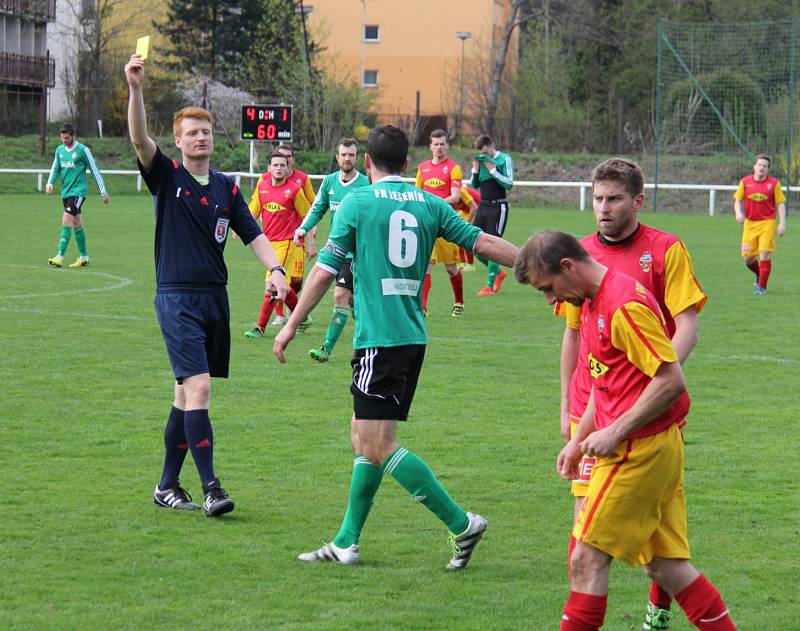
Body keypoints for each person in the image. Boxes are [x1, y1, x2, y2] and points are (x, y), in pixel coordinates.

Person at [273, 125, 519, 568]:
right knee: (361, 436)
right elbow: (482, 242)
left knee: (379, 444)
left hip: (380, 341)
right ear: (408, 165)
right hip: (411, 336)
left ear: (366, 163)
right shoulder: (429, 202)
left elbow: (325, 270)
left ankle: (463, 525)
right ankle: (347, 542)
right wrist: (536, 263)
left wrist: (292, 322)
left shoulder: (356, 202)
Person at [515, 230, 737, 631]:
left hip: (640, 450)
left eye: (549, 289)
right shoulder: (591, 301)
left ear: (568, 266)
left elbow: (671, 381)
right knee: (666, 567)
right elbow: (607, 382)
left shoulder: (622, 304)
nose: (551, 300)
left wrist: (614, 432)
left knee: (586, 559)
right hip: (652, 445)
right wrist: (580, 441)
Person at [124, 54, 287, 516]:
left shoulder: (226, 187)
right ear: (178, 141)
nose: (201, 137)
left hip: (215, 299)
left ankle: (166, 486)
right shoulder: (167, 176)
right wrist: (136, 90)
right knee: (199, 390)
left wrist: (275, 270)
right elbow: (138, 137)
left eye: (206, 131)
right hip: (176, 299)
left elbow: (252, 232)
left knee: (183, 395)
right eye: (192, 132)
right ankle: (212, 487)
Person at [555, 158, 707, 631]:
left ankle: (657, 612)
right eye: (598, 198)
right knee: (586, 536)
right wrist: (566, 405)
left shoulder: (664, 250)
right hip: (595, 404)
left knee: (630, 544)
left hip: (645, 406)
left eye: (614, 198)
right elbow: (574, 336)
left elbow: (687, 326)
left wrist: (651, 382)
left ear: (637, 201)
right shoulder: (577, 255)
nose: (604, 208)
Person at [293, 138, 369, 362]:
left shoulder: (365, 185)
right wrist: (303, 228)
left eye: (351, 155)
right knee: (354, 301)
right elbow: (317, 209)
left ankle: (326, 348)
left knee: (339, 295)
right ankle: (368, 329)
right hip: (334, 249)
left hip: (354, 252)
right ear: (337, 157)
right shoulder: (329, 182)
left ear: (357, 158)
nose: (347, 159)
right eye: (343, 154)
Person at [243, 152, 312, 339]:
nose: (279, 168)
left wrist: (307, 238)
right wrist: (239, 227)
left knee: (272, 284)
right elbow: (253, 211)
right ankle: (302, 315)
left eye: (283, 165)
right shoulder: (262, 188)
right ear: (269, 168)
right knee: (284, 287)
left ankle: (260, 328)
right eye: (276, 165)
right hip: (267, 243)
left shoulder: (294, 190)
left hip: (287, 243)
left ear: (288, 168)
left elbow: (307, 214)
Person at [415, 129, 467, 316]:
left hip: (446, 223)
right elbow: (417, 193)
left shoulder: (454, 168)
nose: (439, 147)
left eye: (442, 144)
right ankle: (422, 308)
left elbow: (455, 196)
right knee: (427, 264)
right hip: (427, 224)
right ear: (430, 146)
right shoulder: (422, 168)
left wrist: (435, 203)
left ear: (447, 146)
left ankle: (459, 303)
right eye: (436, 144)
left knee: (451, 268)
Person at [46, 123, 110, 268]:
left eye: (67, 138)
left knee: (66, 219)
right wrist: (50, 183)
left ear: (73, 136)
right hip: (66, 193)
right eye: (62, 138)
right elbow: (56, 168)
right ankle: (84, 257)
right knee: (76, 223)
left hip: (78, 192)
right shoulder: (60, 150)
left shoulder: (82, 150)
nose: (64, 141)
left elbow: (94, 170)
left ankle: (59, 256)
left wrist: (103, 191)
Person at [271, 143, 317, 325]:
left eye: (288, 156)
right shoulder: (266, 180)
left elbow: (313, 205)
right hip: (276, 239)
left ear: (292, 159)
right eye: (281, 156)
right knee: (278, 276)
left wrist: (312, 235)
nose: (285, 160)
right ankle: (279, 314)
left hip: (298, 237)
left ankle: (291, 307)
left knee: (297, 280)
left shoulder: (302, 179)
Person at [733, 154, 787, 295]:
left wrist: (782, 222)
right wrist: (738, 213)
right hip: (749, 224)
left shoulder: (774, 184)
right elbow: (737, 200)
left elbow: (780, 204)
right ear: (754, 166)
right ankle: (759, 274)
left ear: (768, 169)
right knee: (748, 258)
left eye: (765, 166)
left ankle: (761, 287)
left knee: (764, 255)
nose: (762, 167)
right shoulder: (745, 182)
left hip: (767, 223)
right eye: (760, 165)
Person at [470, 134, 514, 295]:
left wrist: (493, 170)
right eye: (481, 153)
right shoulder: (481, 160)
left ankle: (490, 286)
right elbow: (475, 185)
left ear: (491, 146)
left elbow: (509, 184)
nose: (484, 155)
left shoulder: (504, 159)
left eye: (486, 152)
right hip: (483, 206)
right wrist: (474, 170)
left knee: (494, 245)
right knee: (473, 244)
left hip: (498, 207)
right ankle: (499, 272)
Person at [456, 185, 480, 271]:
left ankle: (470, 264)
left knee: (467, 235)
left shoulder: (461, 190)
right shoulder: (453, 192)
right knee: (457, 234)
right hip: (467, 211)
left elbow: (474, 208)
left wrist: (467, 224)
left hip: (478, 211)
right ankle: (462, 262)